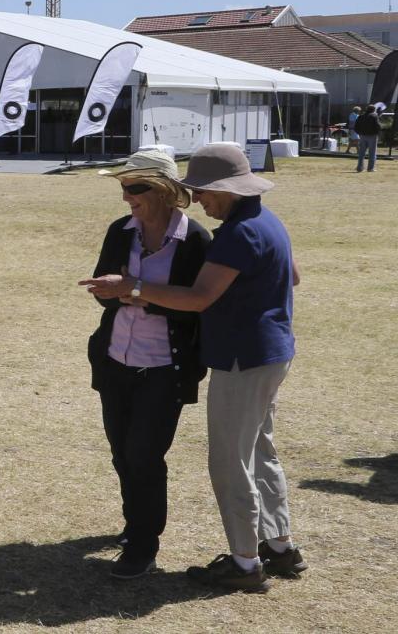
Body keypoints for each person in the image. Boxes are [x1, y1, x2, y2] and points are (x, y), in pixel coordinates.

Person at [80, 143, 302, 593]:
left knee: (229, 461)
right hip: (263, 352)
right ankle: (280, 547)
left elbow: (198, 299)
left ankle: (244, 564)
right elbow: (291, 275)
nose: (199, 198)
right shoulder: (264, 221)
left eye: (204, 191)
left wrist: (136, 288)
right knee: (260, 451)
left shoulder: (231, 236)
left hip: (241, 359)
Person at [85, 149, 210, 580]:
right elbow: (107, 282)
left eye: (135, 187)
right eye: (123, 187)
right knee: (122, 453)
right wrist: (118, 290)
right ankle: (133, 524)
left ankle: (143, 544)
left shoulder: (195, 240)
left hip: (164, 367)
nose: (126, 197)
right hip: (116, 359)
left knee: (145, 456)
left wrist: (135, 291)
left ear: (163, 191)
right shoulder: (120, 231)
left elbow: (196, 306)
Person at [353, 104, 380, 172]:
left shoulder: (361, 116)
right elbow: (378, 126)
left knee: (361, 153)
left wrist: (359, 133)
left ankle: (360, 168)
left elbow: (356, 126)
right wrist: (376, 133)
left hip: (362, 136)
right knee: (372, 152)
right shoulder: (374, 116)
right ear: (374, 110)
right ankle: (370, 168)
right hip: (372, 136)